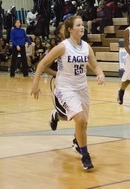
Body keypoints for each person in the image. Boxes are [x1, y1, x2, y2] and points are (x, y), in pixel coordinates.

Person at [31, 16, 105, 171]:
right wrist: (35, 84)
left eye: (83, 24)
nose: (82, 27)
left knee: (83, 122)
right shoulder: (63, 47)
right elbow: (42, 64)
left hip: (82, 89)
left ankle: (76, 141)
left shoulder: (86, 47)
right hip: (65, 88)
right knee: (79, 118)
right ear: (70, 30)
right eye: (78, 25)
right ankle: (85, 156)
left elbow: (95, 65)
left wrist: (100, 74)